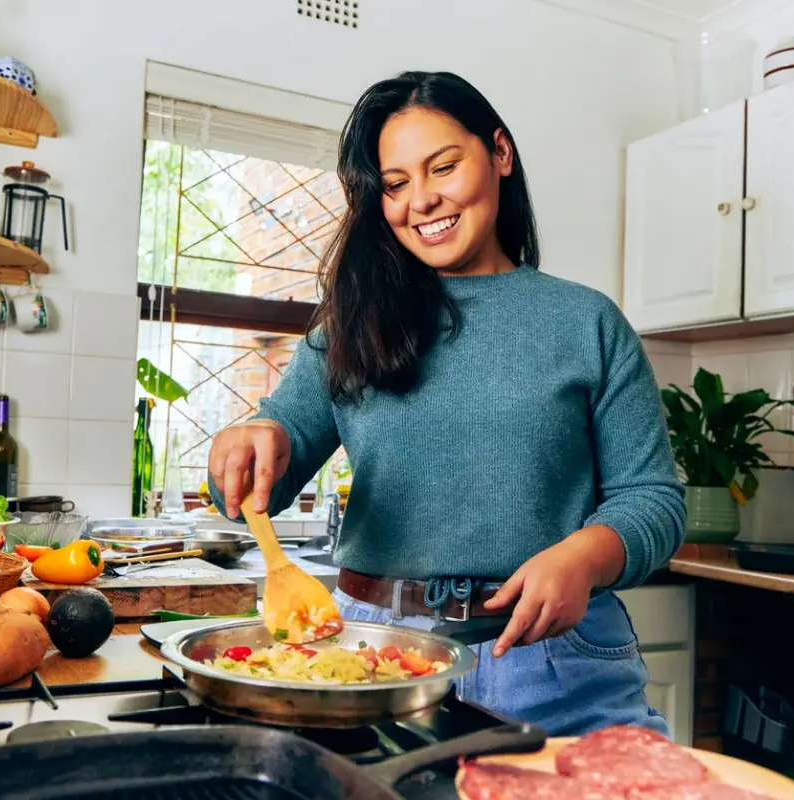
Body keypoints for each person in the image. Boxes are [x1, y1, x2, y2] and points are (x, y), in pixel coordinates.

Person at [207, 70, 686, 737]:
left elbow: (652, 499)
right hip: (375, 662)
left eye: (443, 167)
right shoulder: (350, 325)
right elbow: (274, 459)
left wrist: (584, 554)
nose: (421, 201)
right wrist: (252, 439)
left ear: (500, 154)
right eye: (396, 185)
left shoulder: (586, 322)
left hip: (558, 664)